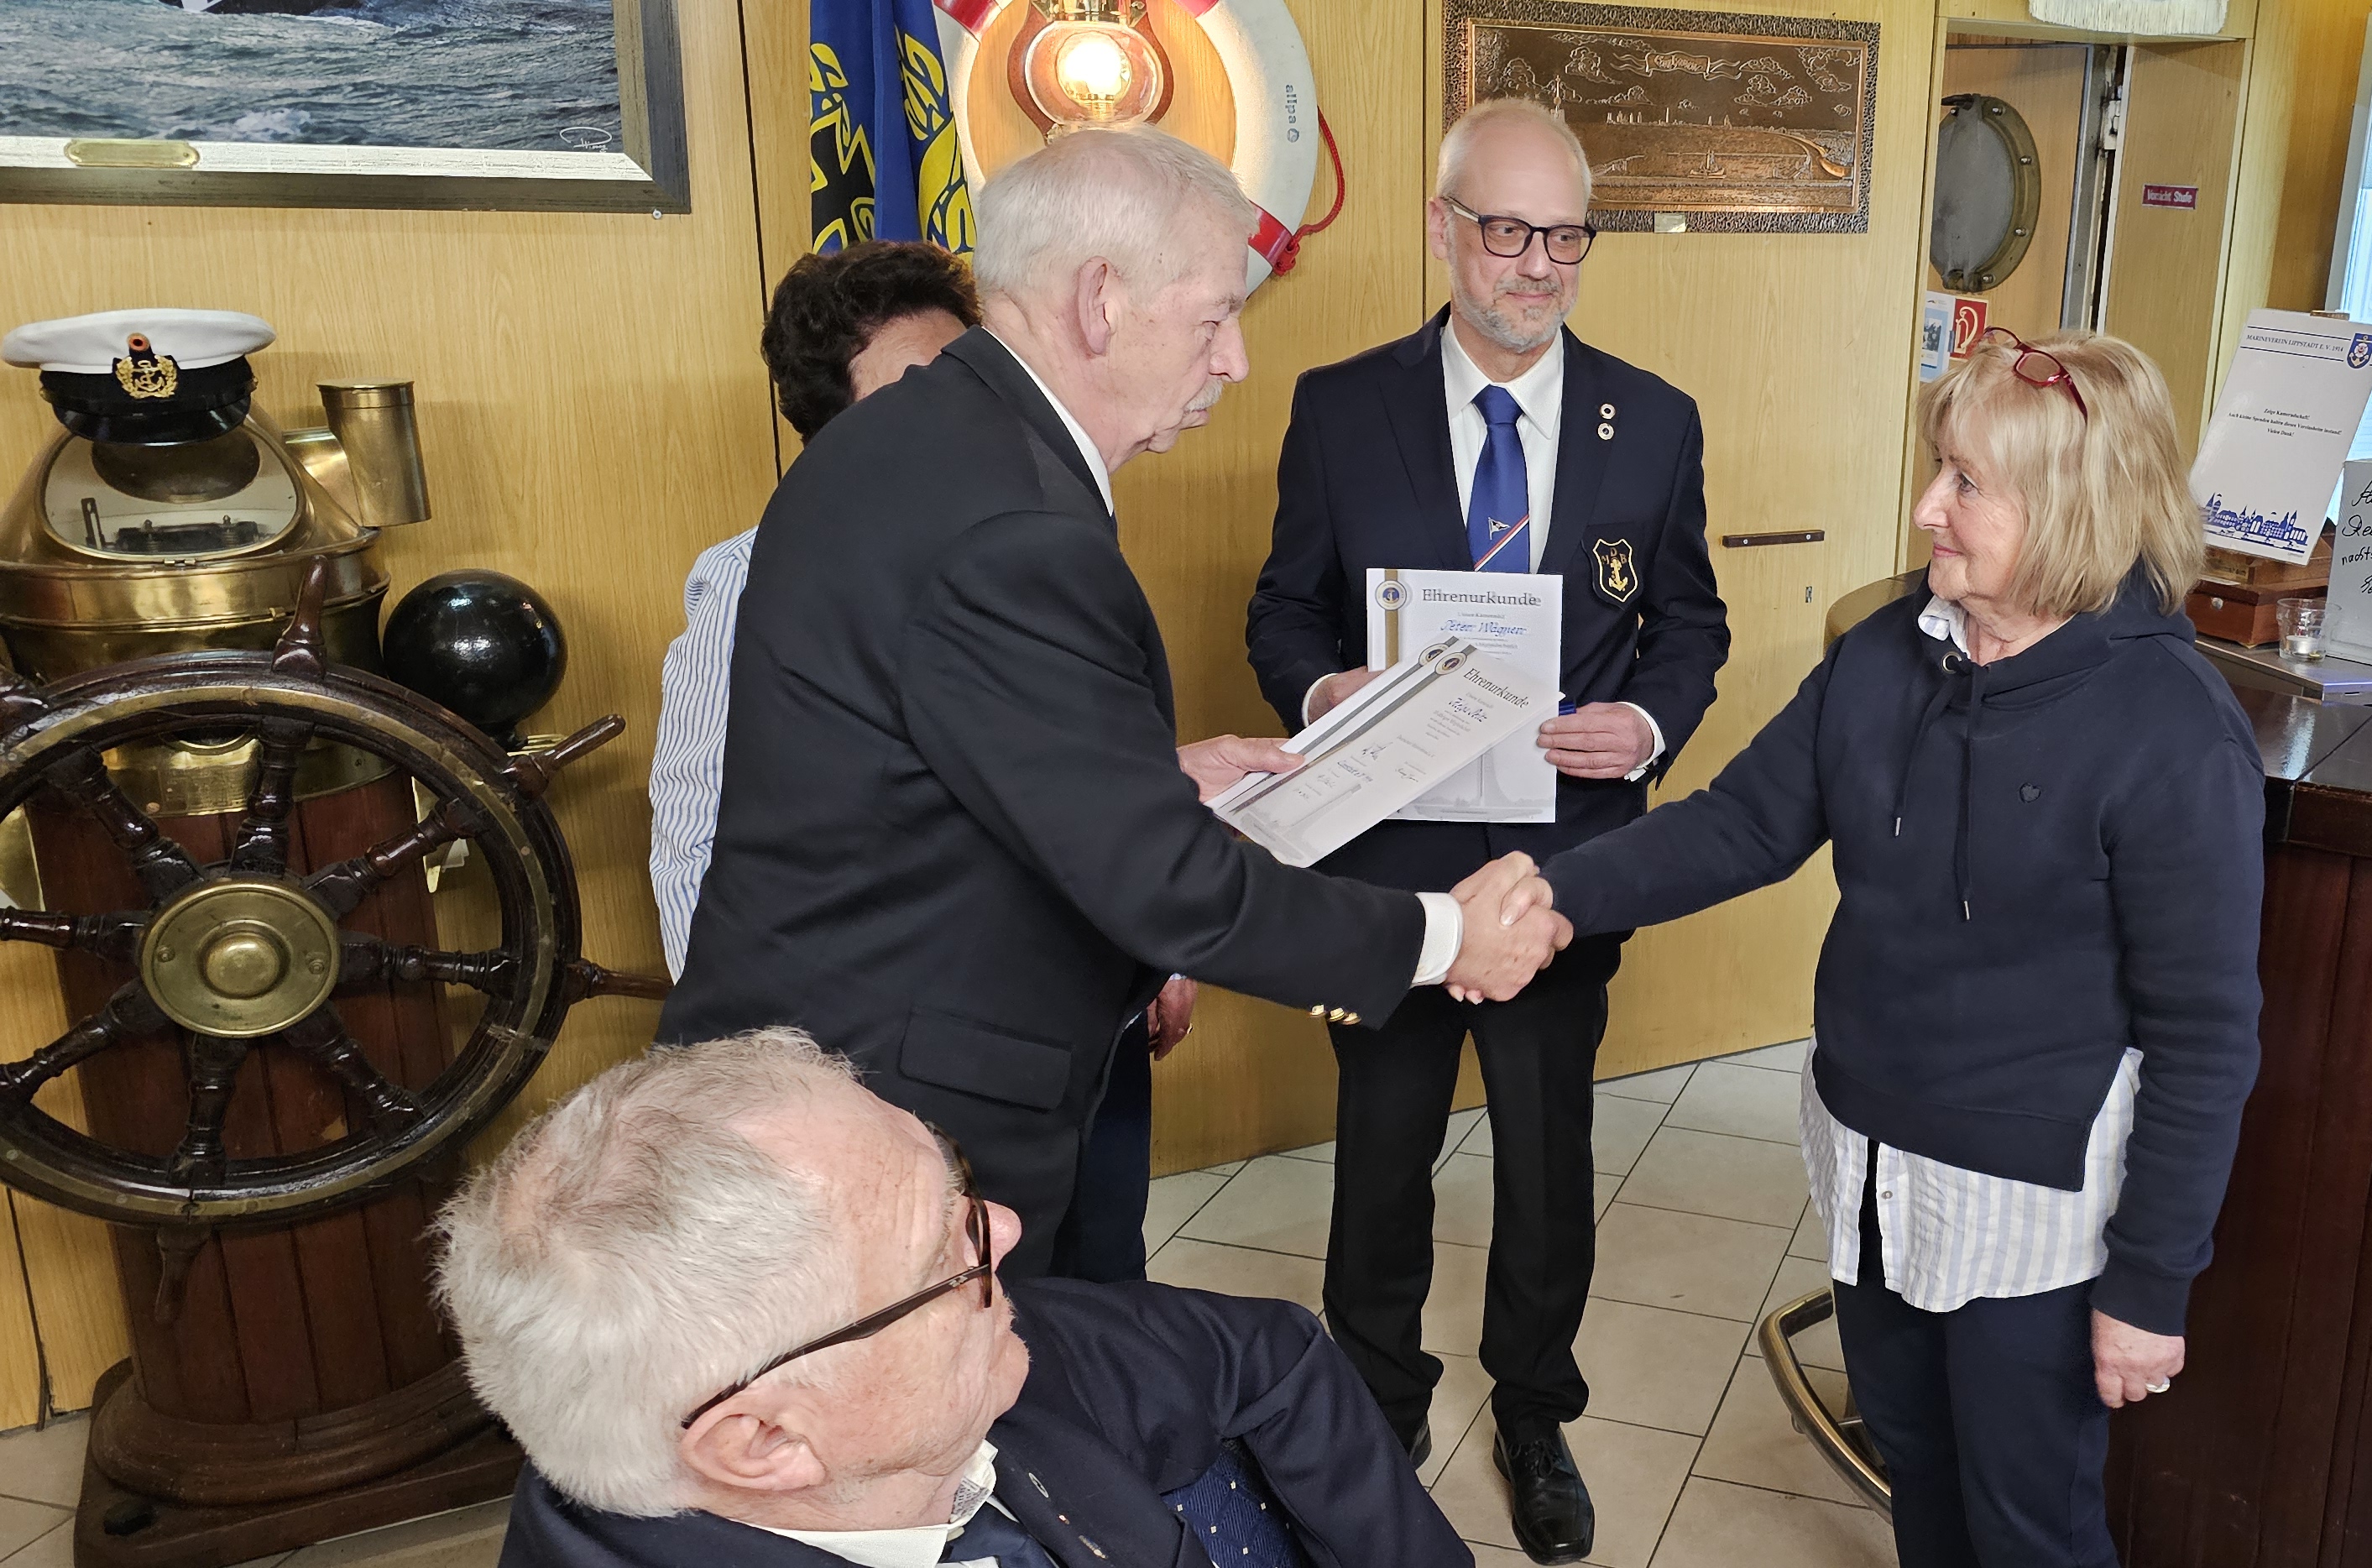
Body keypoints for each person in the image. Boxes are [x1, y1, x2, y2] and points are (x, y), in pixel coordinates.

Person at [659, 127, 1569, 1280]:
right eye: (1215, 317)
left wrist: (1153, 775)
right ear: (1100, 301)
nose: (1236, 360)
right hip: (890, 1116)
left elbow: (929, 753)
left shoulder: (919, 437)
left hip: (833, 1074)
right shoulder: (1011, 523)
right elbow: (1168, 888)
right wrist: (1447, 937)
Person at [1504, 329, 2265, 1566]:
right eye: (1937, 469)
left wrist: (2148, 1285)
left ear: (2072, 505)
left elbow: (2205, 1042)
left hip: (2030, 1212)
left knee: (2028, 1529)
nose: (1926, 508)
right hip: (1871, 1172)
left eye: (1967, 483)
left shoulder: (2173, 733)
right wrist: (1552, 891)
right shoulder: (1887, 653)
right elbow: (1742, 824)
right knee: (1915, 1474)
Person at [1243, 97, 1728, 1565]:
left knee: (1545, 1158)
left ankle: (1534, 1410)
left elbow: (1690, 623)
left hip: (1564, 867)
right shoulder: (1343, 405)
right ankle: (1374, 1410)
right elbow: (1285, 608)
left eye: (1566, 237)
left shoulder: (1652, 418)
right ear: (1443, 227)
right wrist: (1325, 693)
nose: (1537, 266)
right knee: (1382, 1152)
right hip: (1390, 867)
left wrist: (1645, 726)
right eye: (1508, 230)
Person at [441, 1029, 1471, 1568]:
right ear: (765, 1440)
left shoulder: (976, 1367)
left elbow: (1266, 1350)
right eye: (947, 1253)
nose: (1006, 1228)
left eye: (957, 1184)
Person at [649, 240, 980, 980]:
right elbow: (696, 831)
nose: (961, 412)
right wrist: (741, 1036)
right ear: (837, 426)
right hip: (853, 1007)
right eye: (917, 391)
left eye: (972, 377)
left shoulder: (1027, 551)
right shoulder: (751, 577)